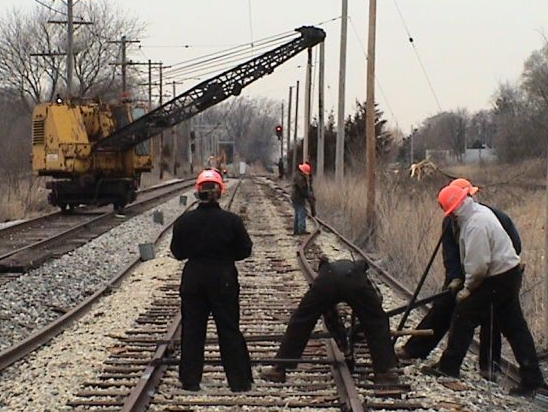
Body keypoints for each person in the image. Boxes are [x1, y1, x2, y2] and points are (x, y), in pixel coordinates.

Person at [422, 185, 544, 396]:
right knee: (515, 328)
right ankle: (533, 380)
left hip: (496, 277)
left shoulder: (475, 225)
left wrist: (467, 289)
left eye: (450, 212)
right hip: (508, 273)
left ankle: (449, 367)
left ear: (456, 208)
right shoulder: (478, 213)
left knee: (463, 315)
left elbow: (478, 266)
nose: (451, 217)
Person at [398, 178, 522, 380]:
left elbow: (514, 246)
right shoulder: (450, 221)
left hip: (493, 273)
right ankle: (415, 350)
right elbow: (450, 253)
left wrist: (484, 277)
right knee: (444, 306)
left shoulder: (490, 217)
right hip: (467, 273)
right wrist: (455, 278)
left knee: (491, 317)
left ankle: (489, 366)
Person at [170, 169, 254, 392]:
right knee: (228, 328)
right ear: (220, 192)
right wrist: (225, 257)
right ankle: (239, 381)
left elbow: (177, 252)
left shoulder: (184, 221)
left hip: (194, 277)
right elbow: (245, 249)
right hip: (223, 277)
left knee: (193, 329)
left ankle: (190, 380)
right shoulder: (231, 221)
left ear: (197, 192)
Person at [261, 258, 399, 384]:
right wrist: (362, 326)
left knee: (301, 320)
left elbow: (332, 320)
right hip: (354, 283)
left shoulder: (325, 276)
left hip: (328, 283)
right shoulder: (359, 272)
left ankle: (279, 368)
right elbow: (377, 300)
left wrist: (345, 349)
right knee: (377, 320)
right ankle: (385, 372)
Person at [291, 162, 314, 234]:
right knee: (301, 213)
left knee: (297, 213)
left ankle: (296, 230)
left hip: (295, 197)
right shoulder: (301, 179)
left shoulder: (297, 175)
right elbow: (303, 190)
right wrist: (308, 196)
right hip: (299, 198)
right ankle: (301, 230)